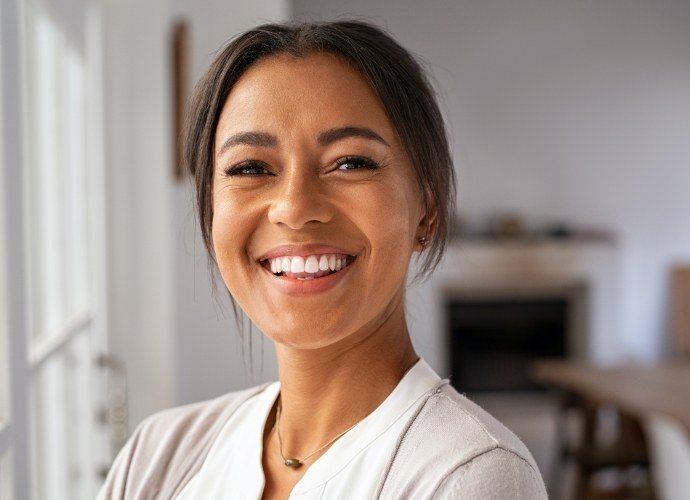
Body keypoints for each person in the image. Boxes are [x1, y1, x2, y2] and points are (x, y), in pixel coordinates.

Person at [98, 20, 548, 499]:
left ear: (427, 209)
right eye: (250, 167)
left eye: (351, 162)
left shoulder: (469, 478)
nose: (294, 207)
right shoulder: (157, 456)